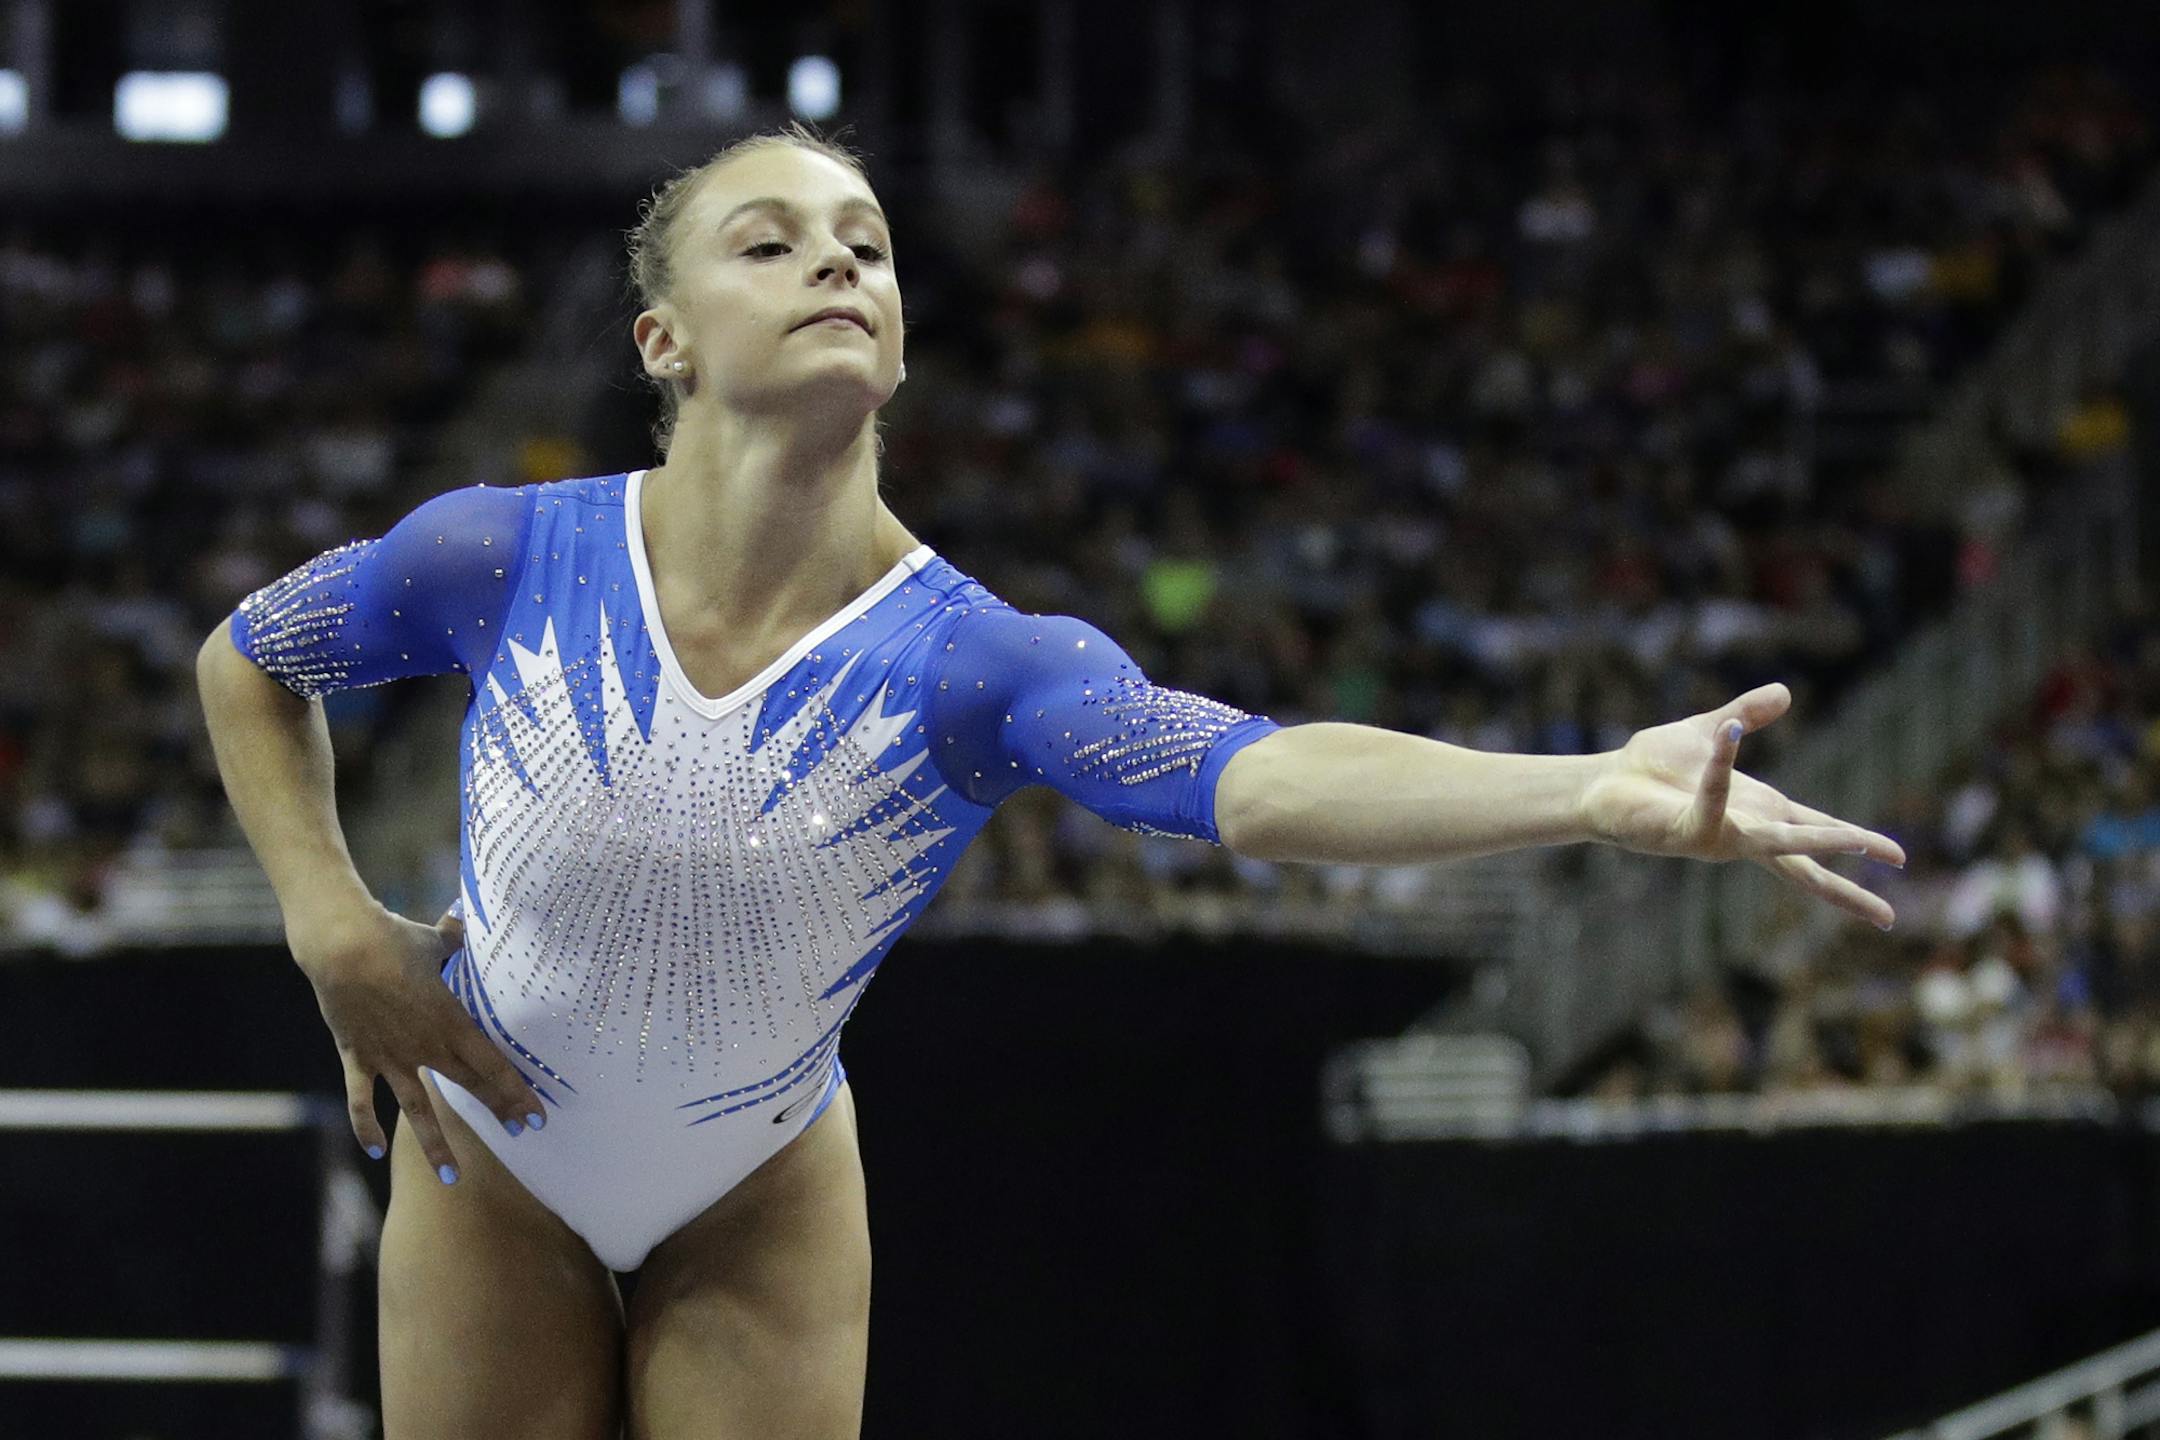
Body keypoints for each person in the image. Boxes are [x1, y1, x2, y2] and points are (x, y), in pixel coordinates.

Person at [194, 122, 1905, 1439]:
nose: (836, 266)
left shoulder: (977, 661)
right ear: (665, 340)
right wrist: (332, 926)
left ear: (904, 341)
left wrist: (1589, 789)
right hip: (489, 1158)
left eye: (867, 246)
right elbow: (249, 663)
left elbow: (1258, 782)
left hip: (755, 1196)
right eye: (771, 242)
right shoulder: (504, 554)